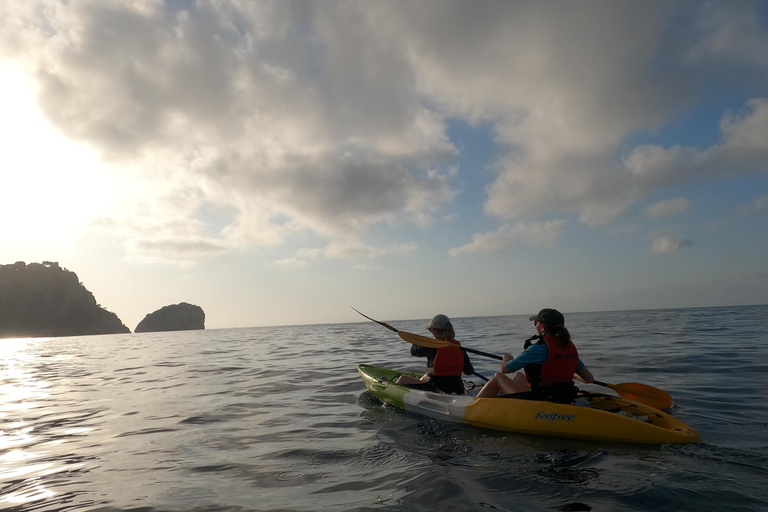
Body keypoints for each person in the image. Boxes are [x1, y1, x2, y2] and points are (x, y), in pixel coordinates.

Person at [476, 308, 594, 402]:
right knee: (519, 375)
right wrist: (568, 373)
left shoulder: (537, 349)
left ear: (542, 327)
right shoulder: (568, 347)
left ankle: (472, 405)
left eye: (535, 323)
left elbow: (505, 369)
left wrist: (505, 359)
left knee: (497, 376)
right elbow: (588, 379)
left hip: (540, 399)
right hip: (564, 396)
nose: (535, 326)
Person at [394, 314, 475, 394]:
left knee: (403, 378)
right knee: (426, 375)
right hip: (458, 388)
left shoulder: (432, 345)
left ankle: (393, 390)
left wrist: (415, 342)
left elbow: (413, 351)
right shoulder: (458, 347)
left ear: (435, 330)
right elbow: (469, 371)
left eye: (430, 330)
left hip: (437, 389)